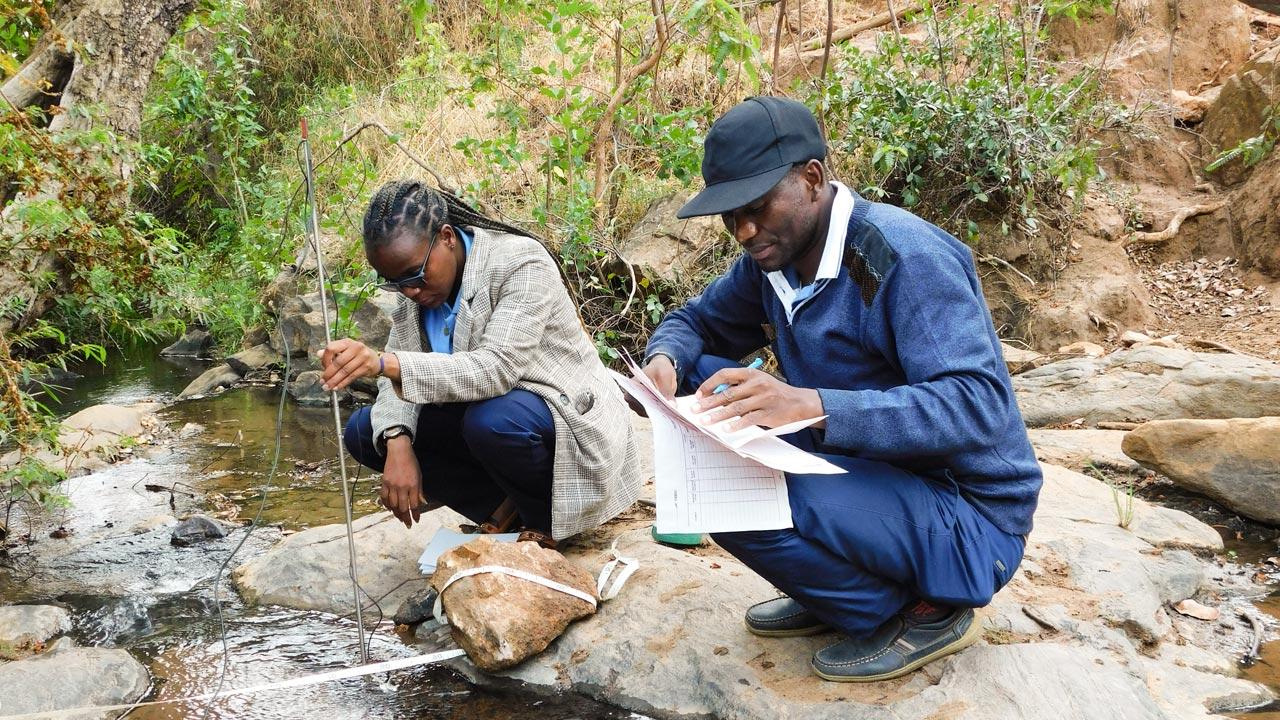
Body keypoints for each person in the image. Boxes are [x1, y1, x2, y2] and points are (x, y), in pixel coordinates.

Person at [640, 97, 1042, 681]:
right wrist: (664, 360)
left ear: (812, 178)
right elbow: (695, 323)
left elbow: (975, 403)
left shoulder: (903, 256)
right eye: (730, 216)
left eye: (755, 207)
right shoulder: (771, 260)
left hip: (968, 516)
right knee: (705, 405)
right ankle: (838, 591)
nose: (743, 231)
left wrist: (815, 405)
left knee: (737, 489)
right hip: (873, 480)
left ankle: (915, 612)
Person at [321, 180, 640, 547]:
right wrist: (397, 441)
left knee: (491, 421)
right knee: (365, 432)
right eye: (395, 283)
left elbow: (495, 370)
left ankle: (547, 522)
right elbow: (394, 386)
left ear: (446, 237)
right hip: (495, 416)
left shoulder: (522, 262)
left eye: (413, 275)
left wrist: (383, 363)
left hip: (563, 415)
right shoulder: (418, 291)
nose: (409, 291)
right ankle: (505, 512)